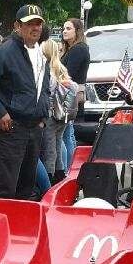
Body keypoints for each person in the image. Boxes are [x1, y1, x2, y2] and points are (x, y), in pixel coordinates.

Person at [0, 4, 50, 199]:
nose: (35, 28)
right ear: (17, 26)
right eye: (29, 23)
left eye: (38, 23)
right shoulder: (4, 52)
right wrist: (0, 112)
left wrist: (43, 115)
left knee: (27, 186)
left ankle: (21, 218)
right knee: (4, 186)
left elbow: (43, 88)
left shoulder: (41, 53)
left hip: (34, 127)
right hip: (11, 128)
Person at [41, 39, 79, 183]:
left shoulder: (47, 70)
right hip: (62, 115)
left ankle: (50, 178)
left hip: (50, 115)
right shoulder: (61, 68)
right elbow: (74, 87)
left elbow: (47, 92)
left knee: (49, 148)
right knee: (58, 143)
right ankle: (60, 173)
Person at [60, 18, 89, 167]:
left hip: (70, 95)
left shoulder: (78, 49)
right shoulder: (72, 49)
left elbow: (68, 74)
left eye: (68, 28)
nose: (64, 31)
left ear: (77, 31)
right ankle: (71, 167)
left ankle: (70, 168)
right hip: (68, 94)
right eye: (64, 28)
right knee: (68, 132)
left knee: (67, 133)